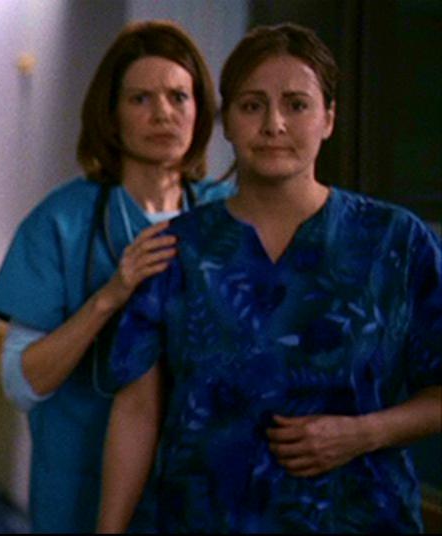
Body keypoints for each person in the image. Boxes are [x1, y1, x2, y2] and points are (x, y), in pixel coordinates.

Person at [98, 22, 442, 533]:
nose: (273, 124)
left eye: (296, 105)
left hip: (359, 515)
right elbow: (137, 410)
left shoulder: (395, 242)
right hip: (203, 519)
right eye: (252, 105)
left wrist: (364, 433)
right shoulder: (176, 249)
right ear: (227, 123)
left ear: (328, 118)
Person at [0, 20, 234, 532]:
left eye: (178, 97)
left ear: (200, 110)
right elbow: (22, 383)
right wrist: (110, 296)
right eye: (141, 99)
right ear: (112, 116)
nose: (163, 113)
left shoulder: (227, 217)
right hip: (82, 483)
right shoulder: (63, 222)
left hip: (203, 488)